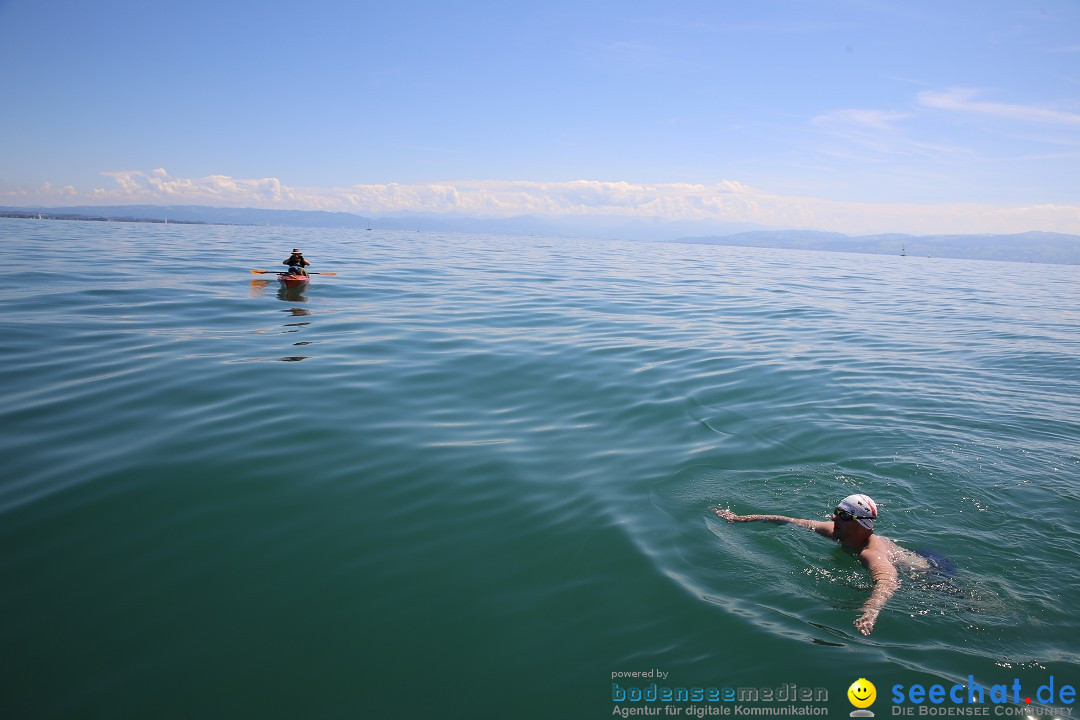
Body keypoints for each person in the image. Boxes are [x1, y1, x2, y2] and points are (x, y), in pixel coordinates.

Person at [710, 494, 931, 636]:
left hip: (925, 575)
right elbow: (787, 520)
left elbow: (887, 581)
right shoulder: (836, 532)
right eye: (836, 512)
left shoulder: (871, 553)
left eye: (843, 515)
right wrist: (739, 518)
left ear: (862, 525)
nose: (834, 518)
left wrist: (871, 611)